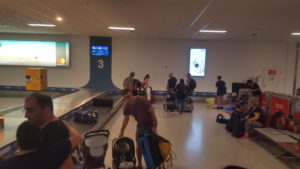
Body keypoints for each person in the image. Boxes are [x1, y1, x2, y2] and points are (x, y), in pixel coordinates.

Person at [0, 121, 82, 169]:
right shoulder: (50, 154)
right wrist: (64, 122)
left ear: (17, 143)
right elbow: (78, 137)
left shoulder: (5, 165)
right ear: (41, 140)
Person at [24, 92, 75, 169]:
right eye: (25, 110)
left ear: (46, 110)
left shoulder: (51, 134)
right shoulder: (57, 124)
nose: (26, 115)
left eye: (30, 110)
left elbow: (67, 165)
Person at [119, 89, 158, 169]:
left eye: (129, 96)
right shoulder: (127, 106)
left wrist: (154, 127)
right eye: (126, 97)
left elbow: (152, 113)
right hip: (140, 127)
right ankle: (140, 164)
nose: (129, 98)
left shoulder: (142, 100)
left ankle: (151, 165)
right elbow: (126, 119)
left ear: (132, 94)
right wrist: (122, 131)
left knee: (150, 147)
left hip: (150, 126)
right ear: (124, 99)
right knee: (139, 146)